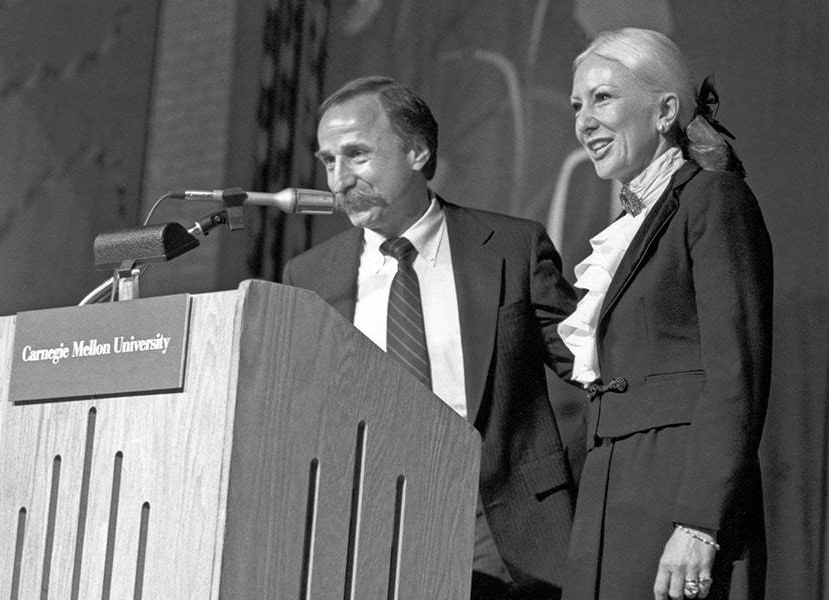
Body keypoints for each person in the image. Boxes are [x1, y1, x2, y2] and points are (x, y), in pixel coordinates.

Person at [283, 76, 579, 599]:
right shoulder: (310, 277)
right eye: (328, 161)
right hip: (369, 535)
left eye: (356, 155)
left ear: (417, 151)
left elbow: (588, 364)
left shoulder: (511, 245)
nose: (338, 180)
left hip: (501, 529)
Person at [558, 28, 772, 600]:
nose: (583, 119)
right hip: (610, 489)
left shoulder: (712, 199)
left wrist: (698, 522)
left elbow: (736, 377)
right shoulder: (629, 225)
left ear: (664, 111)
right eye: (577, 105)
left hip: (675, 490)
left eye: (602, 98)